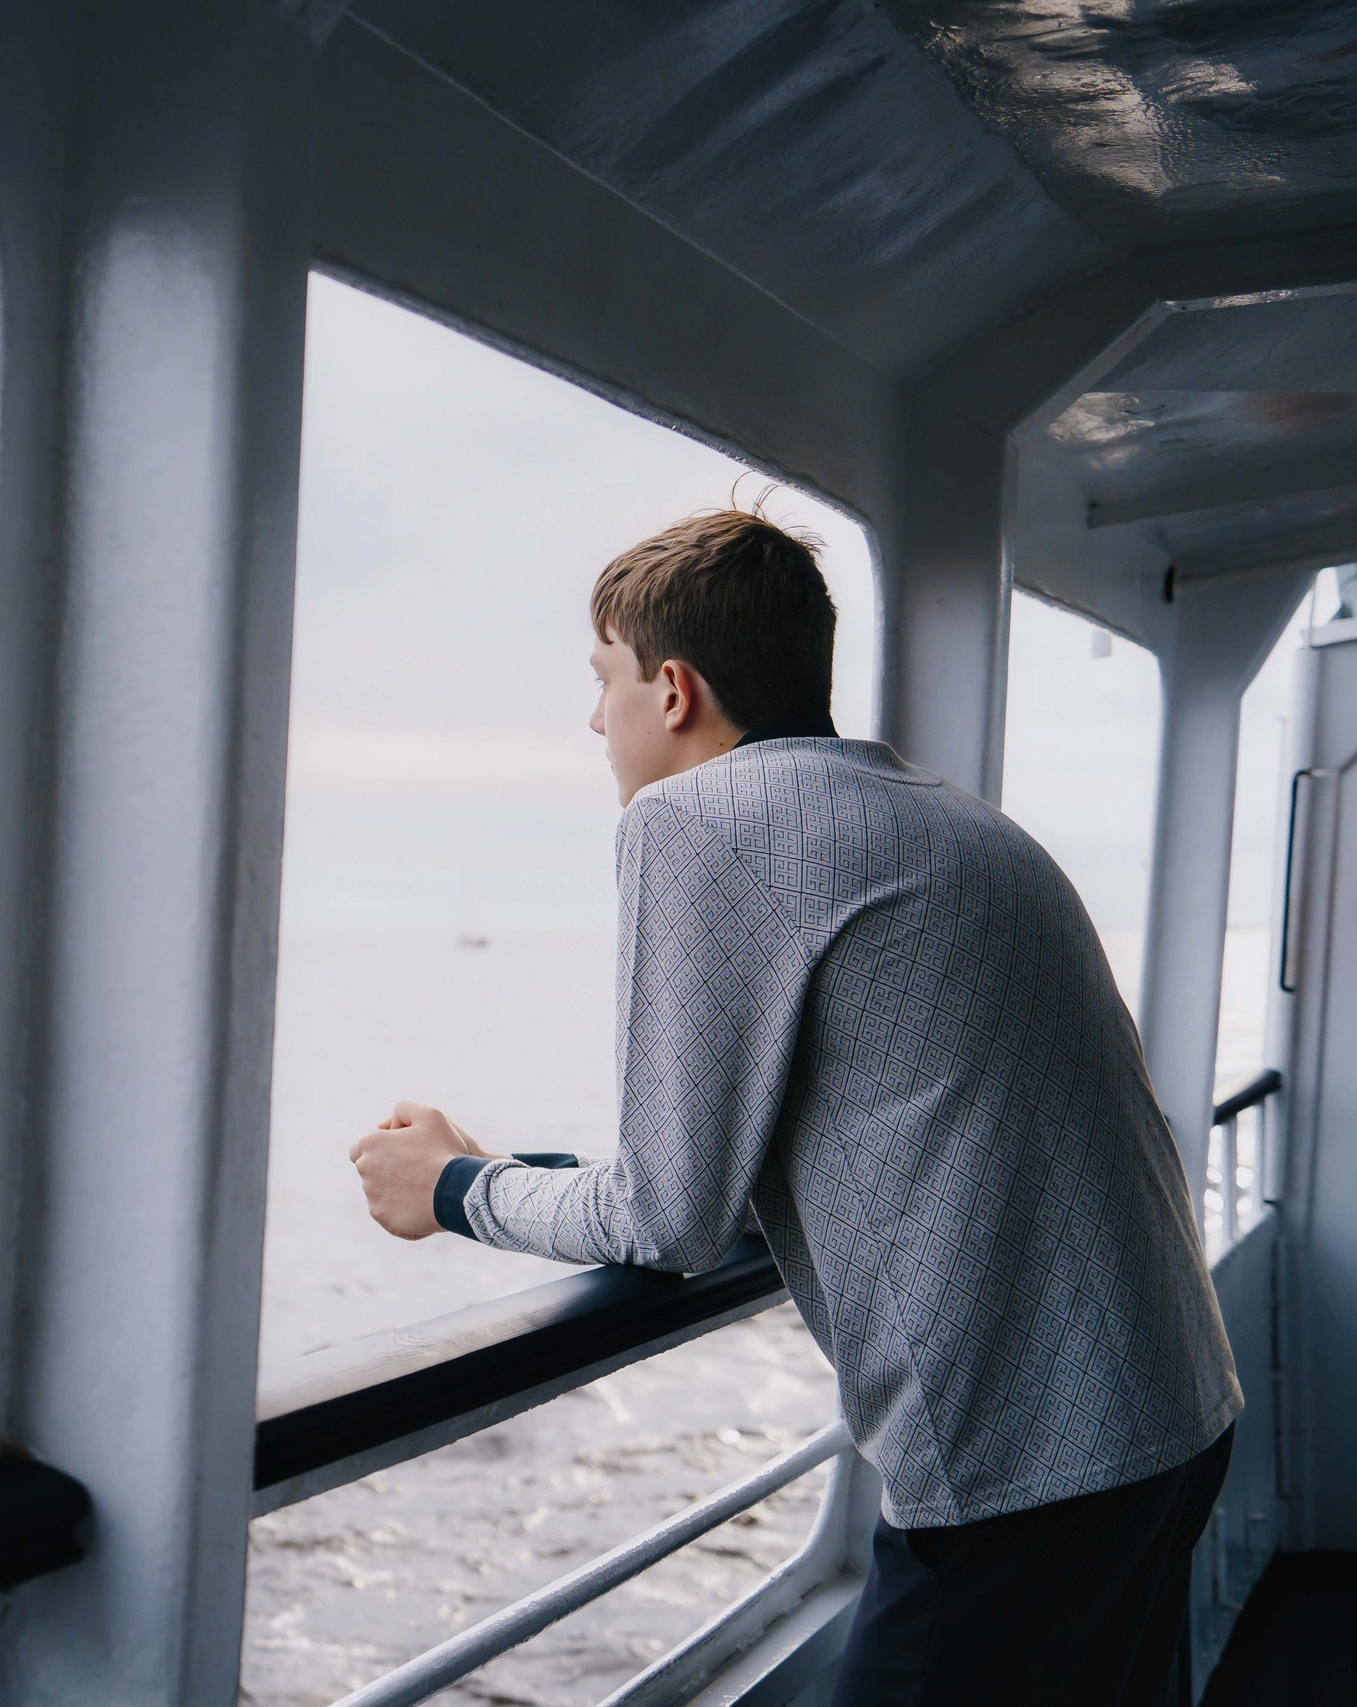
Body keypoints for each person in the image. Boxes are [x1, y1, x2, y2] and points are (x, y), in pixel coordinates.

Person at [347, 509, 1241, 1705]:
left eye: (601, 680)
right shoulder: (945, 813)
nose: (592, 719)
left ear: (671, 691)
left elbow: (668, 1216)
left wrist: (455, 1190)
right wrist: (528, 1166)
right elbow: (727, 1169)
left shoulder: (694, 820)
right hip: (1168, 1408)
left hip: (1029, 1465)